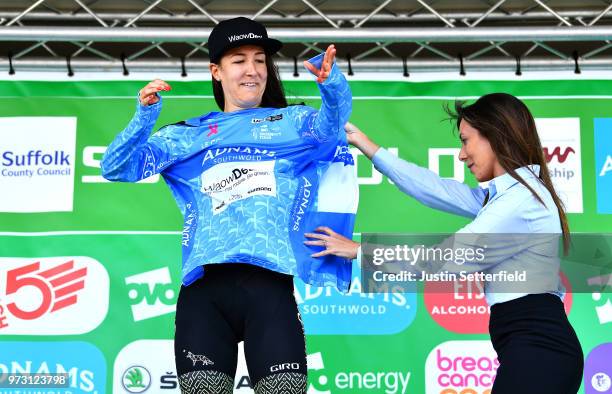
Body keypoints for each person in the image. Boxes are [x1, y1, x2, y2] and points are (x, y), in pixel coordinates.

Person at [101, 17, 355, 394]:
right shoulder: (186, 136)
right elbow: (117, 167)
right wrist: (144, 117)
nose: (252, 70)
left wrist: (331, 85)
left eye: (259, 59)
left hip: (269, 288)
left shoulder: (295, 122)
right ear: (216, 71)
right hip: (204, 293)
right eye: (239, 60)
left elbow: (332, 128)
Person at [305, 93, 584, 394]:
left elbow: (441, 260)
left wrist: (359, 251)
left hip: (539, 349)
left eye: (465, 141)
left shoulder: (519, 201)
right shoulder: (507, 196)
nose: (462, 154)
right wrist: (365, 144)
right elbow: (435, 189)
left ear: (495, 137)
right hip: (533, 347)